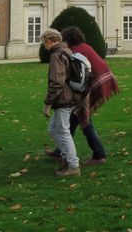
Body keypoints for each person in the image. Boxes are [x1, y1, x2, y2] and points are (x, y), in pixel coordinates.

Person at [46, 27, 120, 166]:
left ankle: (98, 155)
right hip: (99, 81)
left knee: (83, 118)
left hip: (93, 85)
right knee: (76, 118)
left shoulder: (78, 51)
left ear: (68, 40)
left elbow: (78, 75)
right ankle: (61, 151)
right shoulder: (83, 47)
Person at [41, 28, 82, 177]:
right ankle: (66, 158)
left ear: (50, 41)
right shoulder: (67, 51)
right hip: (72, 97)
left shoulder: (57, 55)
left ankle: (73, 165)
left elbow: (56, 83)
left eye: (44, 42)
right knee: (53, 129)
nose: (44, 46)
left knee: (63, 131)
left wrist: (47, 104)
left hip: (64, 99)